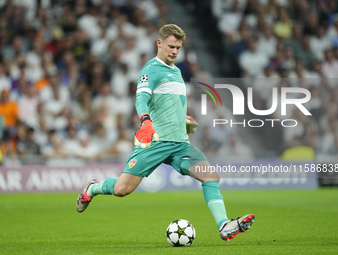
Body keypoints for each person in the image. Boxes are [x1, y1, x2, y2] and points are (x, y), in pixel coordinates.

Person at [76, 24, 254, 241]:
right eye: (171, 46)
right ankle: (92, 189)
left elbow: (172, 104)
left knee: (210, 176)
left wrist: (184, 120)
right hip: (155, 141)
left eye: (178, 48)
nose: (175, 51)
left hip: (180, 143)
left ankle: (224, 225)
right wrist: (145, 122)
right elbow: (141, 98)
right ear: (159, 43)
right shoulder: (151, 70)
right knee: (122, 189)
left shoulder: (177, 72)